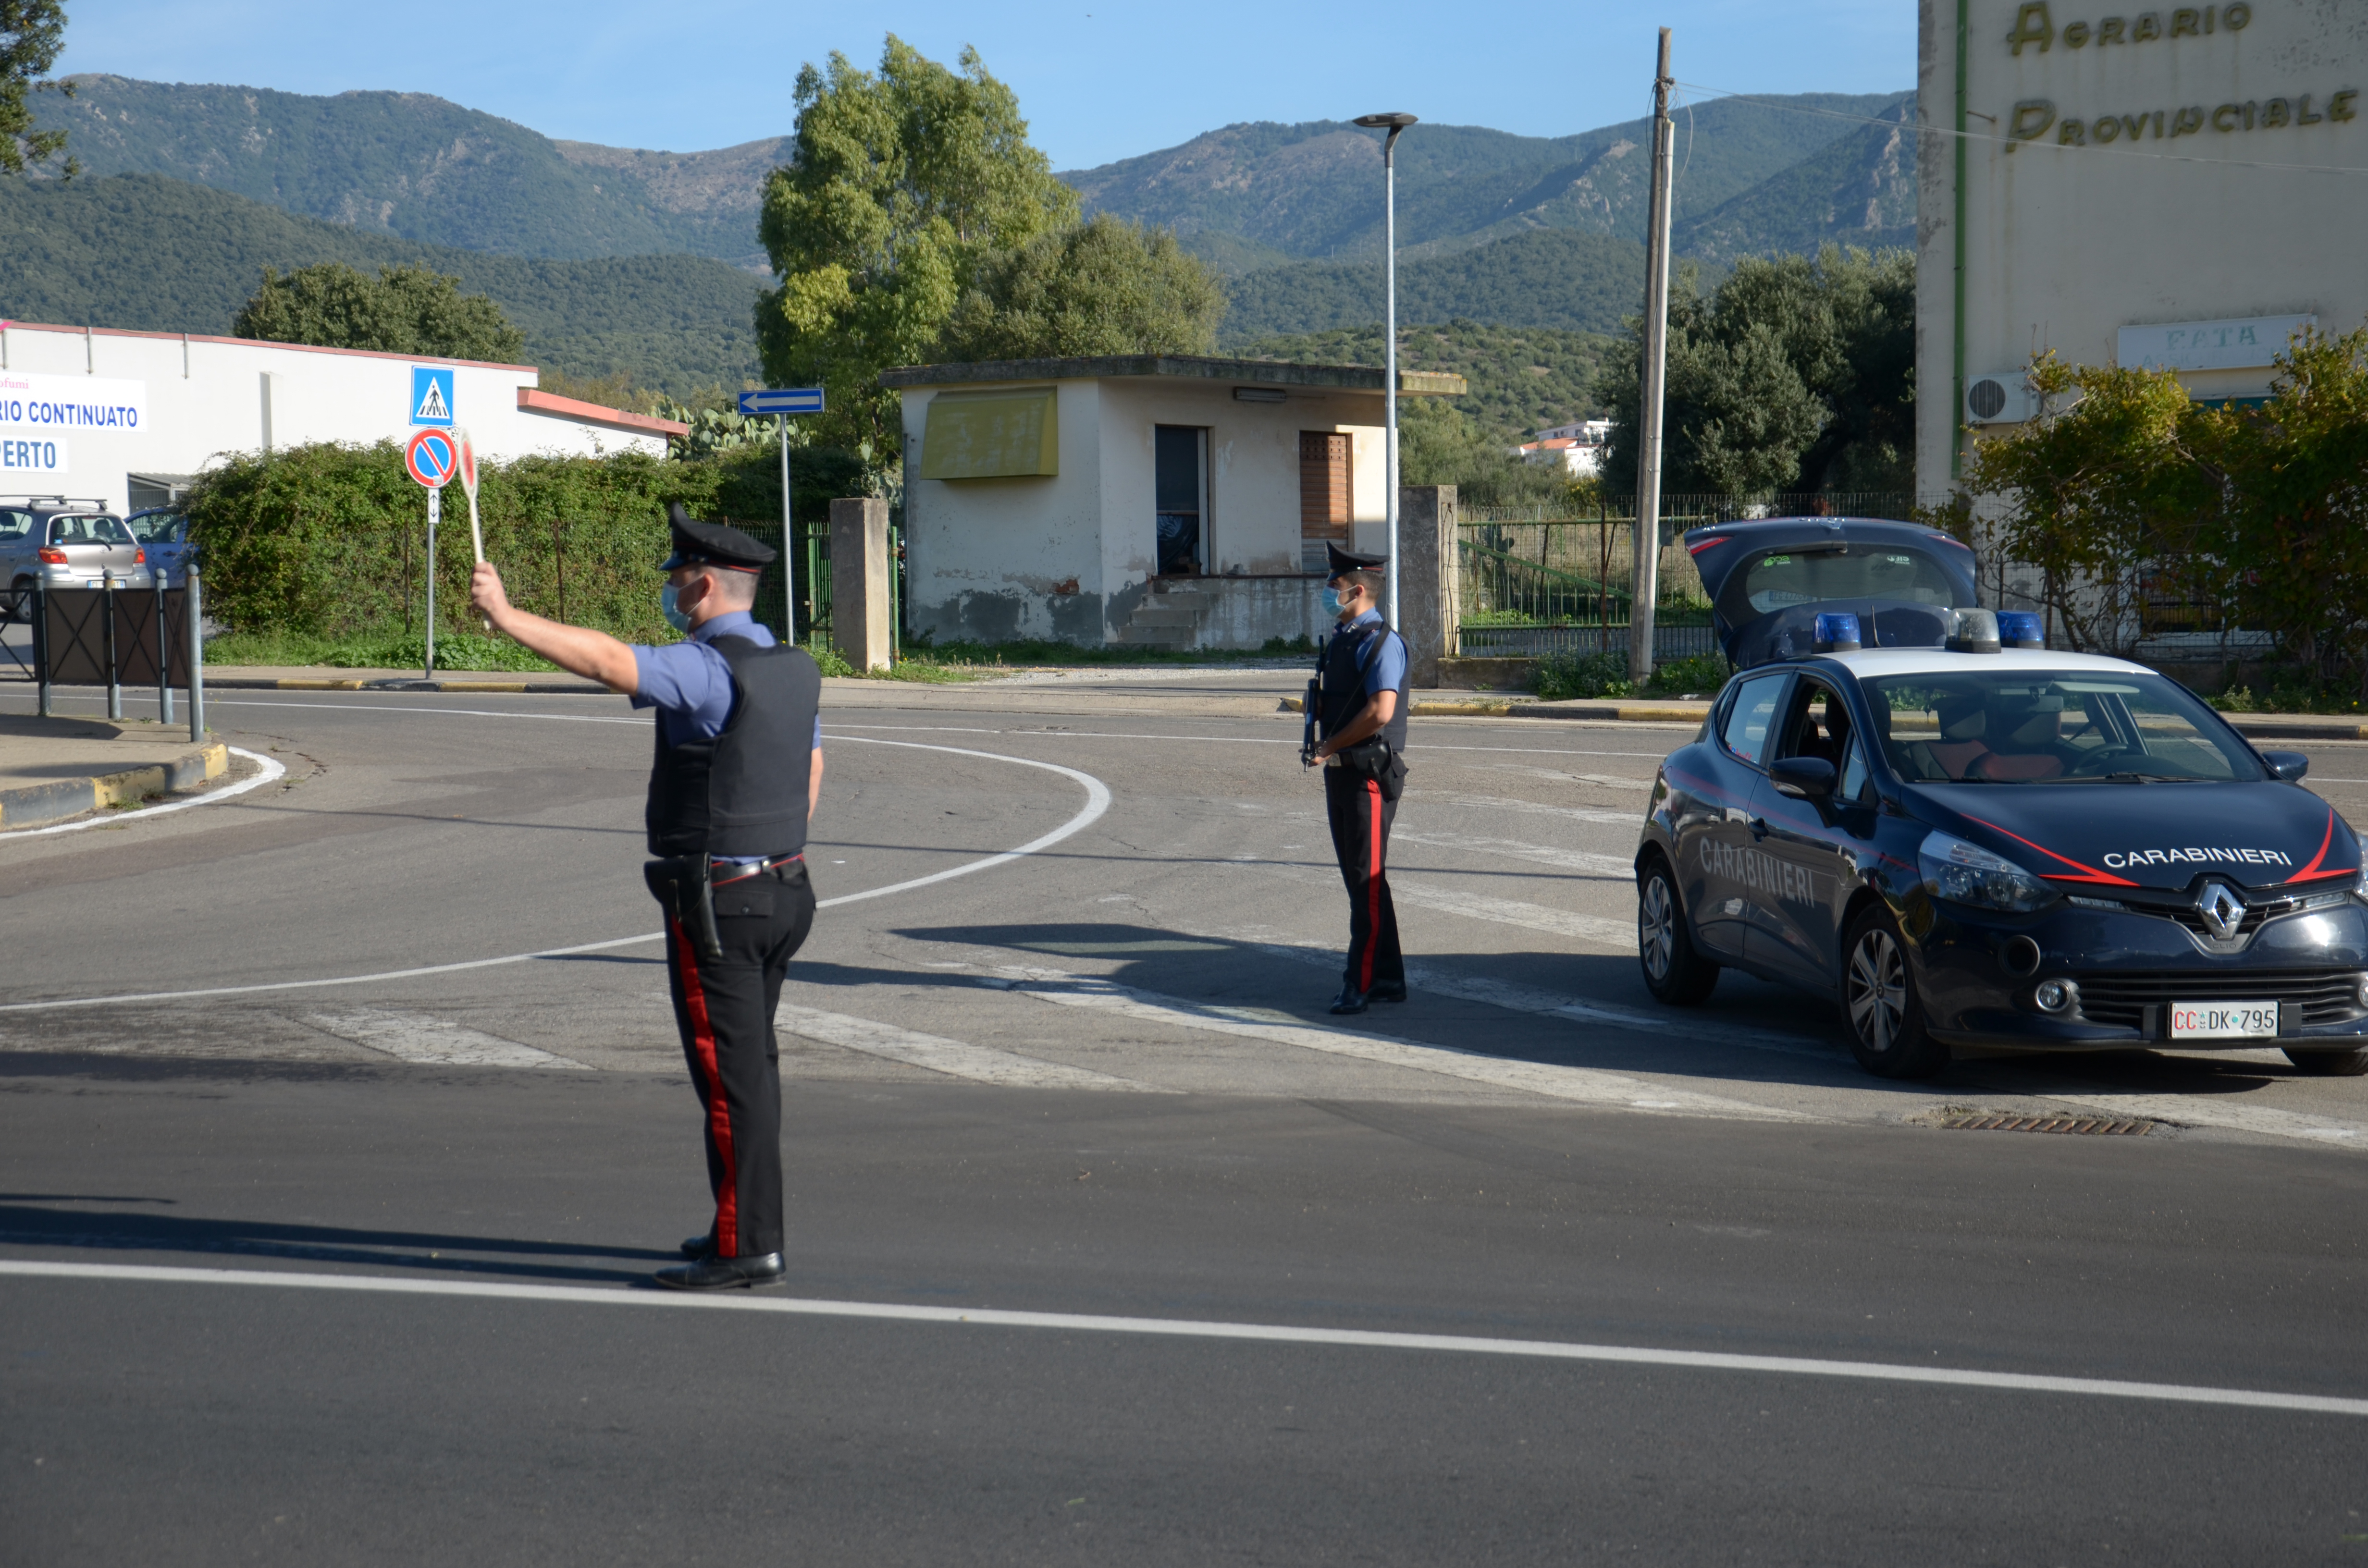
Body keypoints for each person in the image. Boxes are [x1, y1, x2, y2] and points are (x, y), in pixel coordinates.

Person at [469, 503, 823, 1291]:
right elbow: (810, 772)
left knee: (729, 1079)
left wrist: (506, 612)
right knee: (750, 1071)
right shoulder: (791, 666)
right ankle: (739, 1224)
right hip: (784, 887)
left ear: (699, 583)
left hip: (720, 901)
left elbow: (606, 661)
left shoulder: (708, 666)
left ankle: (748, 1246)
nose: (671, 589)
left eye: (676, 577)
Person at [1304, 540, 1411, 1015]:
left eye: (1335, 585)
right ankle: (1388, 977)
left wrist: (1329, 745)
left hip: (1366, 774)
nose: (1328, 591)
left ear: (1358, 589)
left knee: (1365, 883)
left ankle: (1359, 982)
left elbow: (1379, 710)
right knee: (1361, 882)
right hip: (1342, 774)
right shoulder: (1344, 637)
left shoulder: (1380, 642)